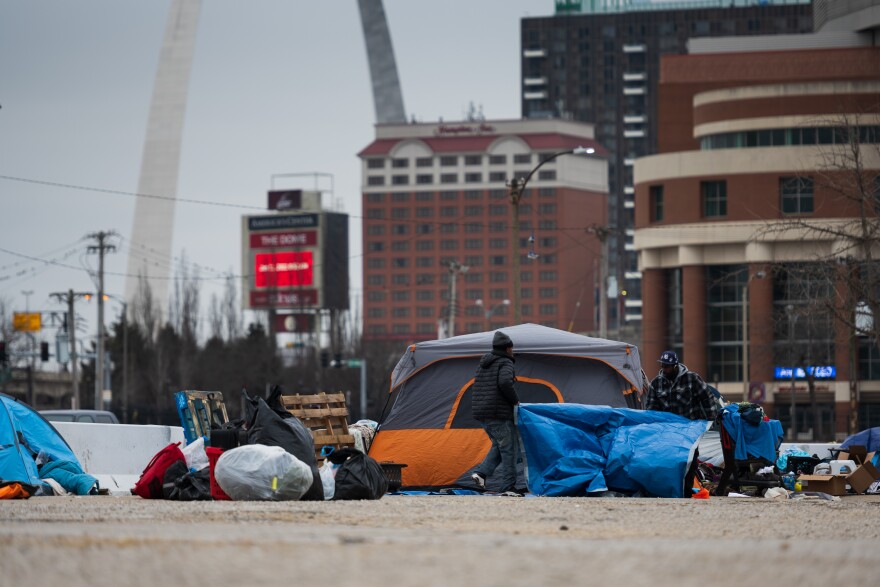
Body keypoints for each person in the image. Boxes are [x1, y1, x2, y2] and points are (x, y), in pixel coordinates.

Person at [470, 330, 521, 496]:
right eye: (511, 349)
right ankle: (508, 487)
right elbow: (505, 382)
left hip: (482, 412)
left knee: (500, 446)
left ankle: (481, 474)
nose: (512, 352)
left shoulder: (485, 362)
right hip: (497, 413)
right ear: (507, 349)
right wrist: (515, 401)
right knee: (508, 449)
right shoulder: (505, 362)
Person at [646, 350, 720, 421]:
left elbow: (707, 398)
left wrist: (711, 419)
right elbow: (651, 408)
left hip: (692, 427)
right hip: (667, 428)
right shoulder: (656, 383)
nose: (664, 369)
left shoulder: (692, 378)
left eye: (667, 367)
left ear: (675, 366)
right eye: (662, 366)